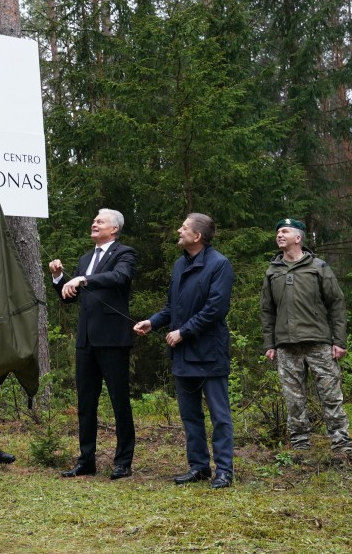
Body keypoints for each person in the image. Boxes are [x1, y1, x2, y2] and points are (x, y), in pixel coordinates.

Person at [134, 213, 235, 489]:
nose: (179, 230)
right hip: (183, 355)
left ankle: (224, 471)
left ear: (197, 236)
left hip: (209, 353)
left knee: (220, 416)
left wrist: (183, 332)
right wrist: (153, 322)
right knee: (190, 415)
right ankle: (199, 467)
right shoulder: (180, 265)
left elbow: (215, 309)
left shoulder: (219, 265)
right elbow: (173, 307)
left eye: (184, 227)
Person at [49, 208, 137, 480]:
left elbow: (119, 277)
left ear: (114, 229)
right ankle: (86, 460)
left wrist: (83, 278)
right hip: (86, 340)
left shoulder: (124, 253)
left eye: (100, 221)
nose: (94, 223)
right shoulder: (86, 258)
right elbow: (70, 297)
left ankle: (122, 462)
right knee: (86, 403)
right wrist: (60, 279)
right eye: (94, 220)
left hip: (112, 339)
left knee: (119, 402)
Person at [261, 218, 352, 453]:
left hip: (319, 343)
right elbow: (267, 311)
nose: (279, 235)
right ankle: (301, 445)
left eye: (285, 231)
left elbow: (336, 304)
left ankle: (341, 442)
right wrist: (270, 344)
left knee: (331, 395)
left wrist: (339, 341)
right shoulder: (273, 271)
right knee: (293, 399)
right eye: (277, 231)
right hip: (286, 345)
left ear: (298, 238)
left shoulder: (318, 267)